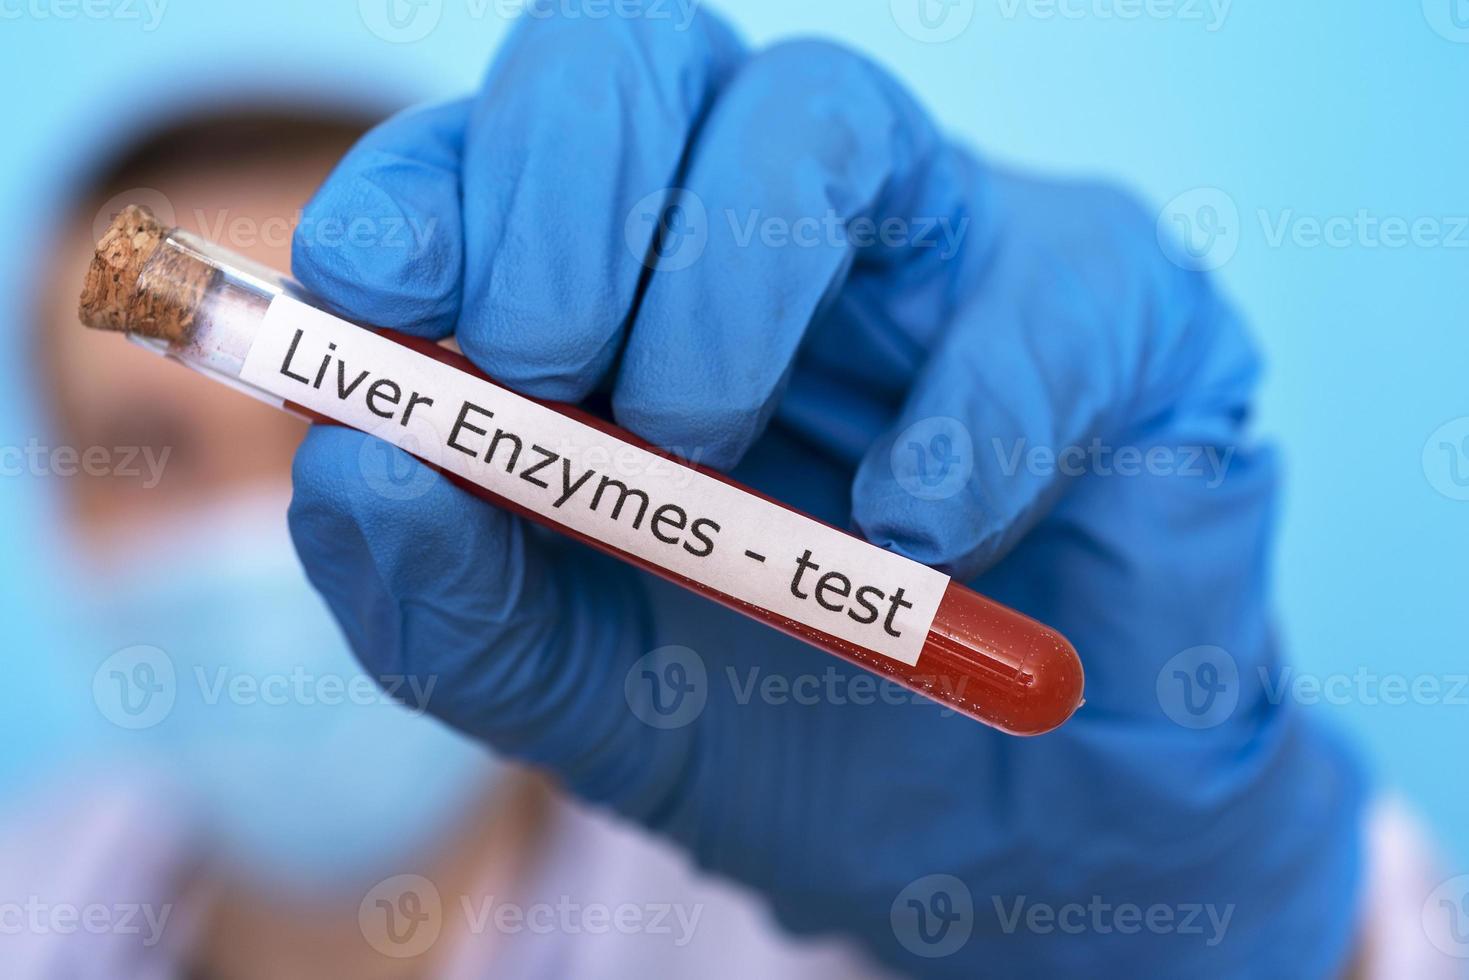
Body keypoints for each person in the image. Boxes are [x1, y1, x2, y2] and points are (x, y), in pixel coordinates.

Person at [1, 4, 1458, 978]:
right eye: (159, 454)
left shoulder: (815, 934)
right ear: (65, 508)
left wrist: (1230, 917)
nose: (287, 513)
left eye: (347, 401)